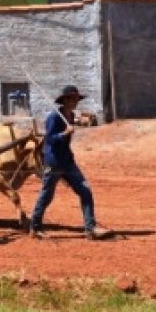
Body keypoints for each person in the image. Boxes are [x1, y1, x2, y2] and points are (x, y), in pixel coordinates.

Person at [30, 85, 111, 241]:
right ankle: (35, 227)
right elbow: (50, 139)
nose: (75, 101)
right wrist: (63, 133)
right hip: (53, 161)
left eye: (77, 99)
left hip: (67, 161)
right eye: (73, 98)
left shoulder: (71, 116)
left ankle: (90, 228)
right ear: (65, 100)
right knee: (47, 195)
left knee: (85, 191)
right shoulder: (54, 117)